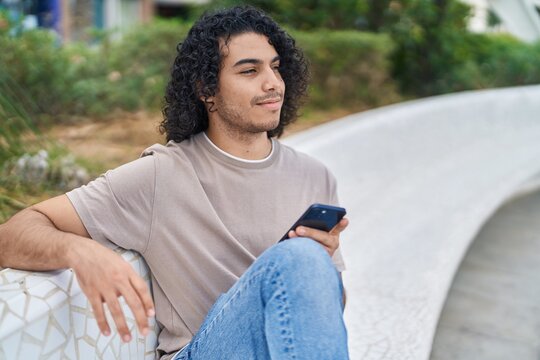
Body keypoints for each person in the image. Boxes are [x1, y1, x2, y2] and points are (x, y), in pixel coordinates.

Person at [0, 6, 349, 360]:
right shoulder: (160, 176)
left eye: (275, 67)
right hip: (202, 349)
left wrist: (320, 266)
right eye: (249, 70)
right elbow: (12, 234)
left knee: (301, 258)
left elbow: (326, 322)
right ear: (206, 89)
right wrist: (78, 251)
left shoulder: (314, 175)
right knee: (298, 258)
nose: (273, 82)